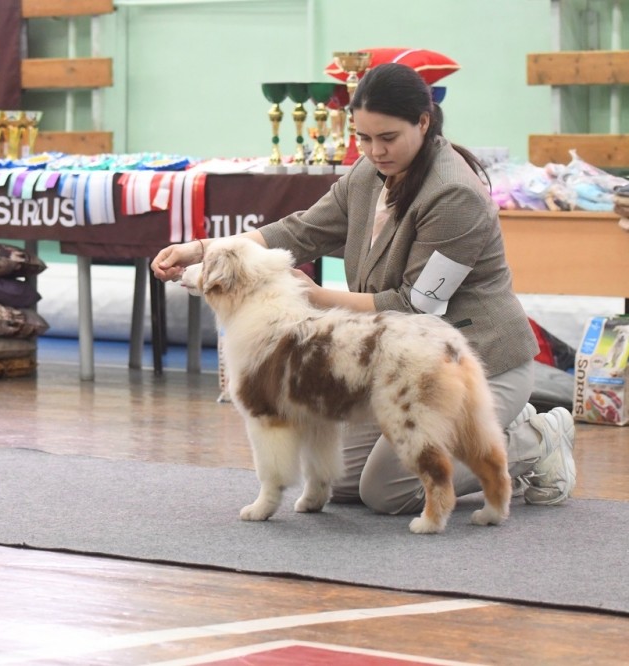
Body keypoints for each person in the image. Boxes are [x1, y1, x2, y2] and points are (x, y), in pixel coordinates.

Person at [151, 63, 576, 516]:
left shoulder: (455, 195)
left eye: (387, 138)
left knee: (387, 491)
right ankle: (492, 428)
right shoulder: (370, 170)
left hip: (474, 361)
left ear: (424, 122)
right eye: (364, 138)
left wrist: (315, 296)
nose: (375, 151)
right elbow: (301, 230)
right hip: (399, 361)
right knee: (343, 484)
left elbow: (415, 305)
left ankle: (534, 439)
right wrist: (201, 250)